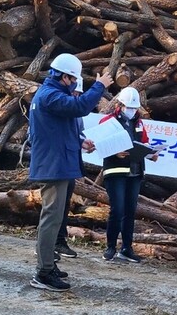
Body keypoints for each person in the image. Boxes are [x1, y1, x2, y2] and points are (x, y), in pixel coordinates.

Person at [28, 53, 112, 292]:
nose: (75, 84)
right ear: (64, 77)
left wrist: (80, 141)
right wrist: (100, 86)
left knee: (55, 220)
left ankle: (48, 264)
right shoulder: (50, 95)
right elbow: (81, 106)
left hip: (58, 165)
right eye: (73, 79)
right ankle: (43, 273)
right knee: (51, 219)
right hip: (54, 167)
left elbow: (58, 129)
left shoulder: (50, 95)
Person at [98, 86, 156, 263]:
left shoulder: (139, 123)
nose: (131, 111)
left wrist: (151, 153)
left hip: (135, 172)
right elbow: (100, 144)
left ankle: (126, 248)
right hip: (115, 172)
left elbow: (144, 143)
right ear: (120, 105)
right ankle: (110, 246)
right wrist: (115, 152)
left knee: (130, 211)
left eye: (134, 108)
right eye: (128, 107)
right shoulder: (108, 121)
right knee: (118, 209)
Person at [54, 77, 87, 260]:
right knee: (53, 207)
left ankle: (60, 240)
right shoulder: (55, 106)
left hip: (70, 164)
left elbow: (77, 135)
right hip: (56, 165)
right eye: (74, 93)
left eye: (78, 94)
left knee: (64, 204)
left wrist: (84, 142)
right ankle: (47, 244)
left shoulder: (77, 115)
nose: (76, 96)